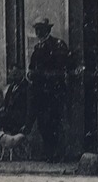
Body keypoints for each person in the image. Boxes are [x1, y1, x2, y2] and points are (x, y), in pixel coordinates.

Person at [28, 17, 74, 162]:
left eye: (41, 28)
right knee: (42, 123)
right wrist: (31, 74)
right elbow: (32, 67)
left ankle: (55, 153)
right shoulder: (37, 48)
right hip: (40, 93)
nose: (38, 32)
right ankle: (48, 151)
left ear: (47, 30)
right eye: (36, 29)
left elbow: (62, 67)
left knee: (53, 122)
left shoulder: (57, 45)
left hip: (54, 91)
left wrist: (41, 75)